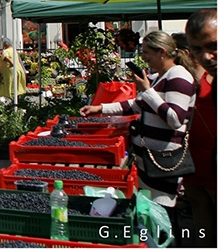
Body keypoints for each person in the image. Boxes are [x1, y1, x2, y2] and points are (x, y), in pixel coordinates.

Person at [80, 30, 196, 208]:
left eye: (147, 52)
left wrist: (148, 91)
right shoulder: (159, 77)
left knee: (162, 209)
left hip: (164, 161)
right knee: (150, 208)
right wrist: (100, 108)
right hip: (150, 159)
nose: (144, 57)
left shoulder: (179, 76)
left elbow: (175, 118)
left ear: (162, 52)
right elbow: (135, 105)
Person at [182, 9, 216, 248]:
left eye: (213, 45)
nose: (207, 56)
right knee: (200, 211)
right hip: (199, 162)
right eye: (197, 49)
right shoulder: (204, 77)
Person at [0, 36, 26, 102]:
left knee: (9, 85)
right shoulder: (14, 50)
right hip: (18, 70)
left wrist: (11, 63)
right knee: (16, 86)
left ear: (4, 44)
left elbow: (6, 57)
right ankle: (16, 99)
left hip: (9, 72)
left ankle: (10, 99)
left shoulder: (6, 51)